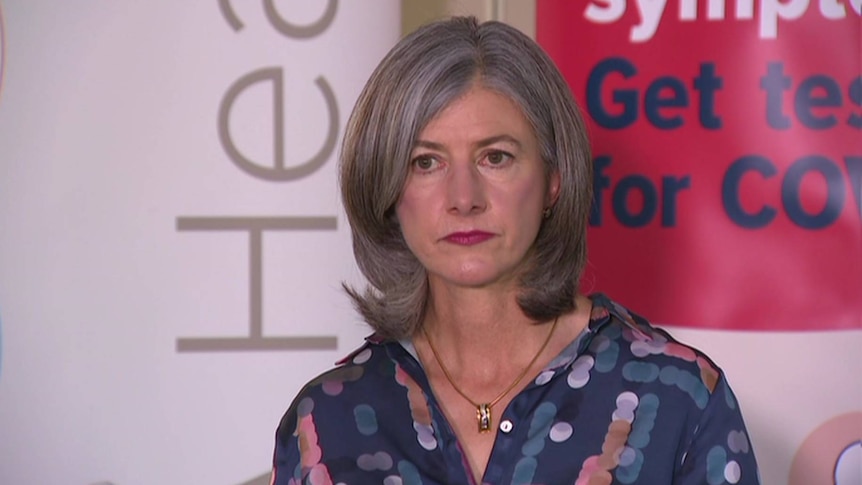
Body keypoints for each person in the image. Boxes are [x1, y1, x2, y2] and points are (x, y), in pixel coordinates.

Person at [270, 16, 760, 485]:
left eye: (495, 157)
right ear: (387, 189)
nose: (464, 198)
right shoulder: (326, 420)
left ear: (553, 179)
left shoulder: (680, 398)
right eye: (426, 162)